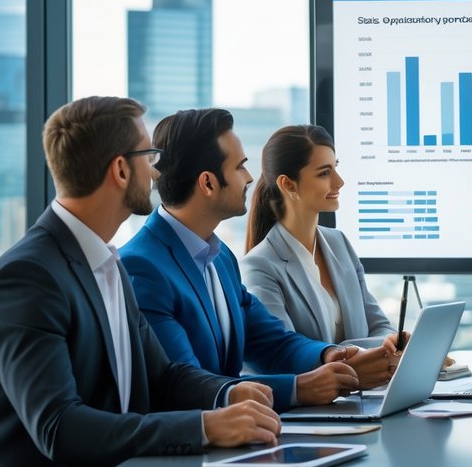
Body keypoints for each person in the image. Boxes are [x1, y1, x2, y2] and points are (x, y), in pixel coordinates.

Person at [0, 97, 280, 467]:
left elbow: (163, 376)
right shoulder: (28, 277)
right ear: (119, 170)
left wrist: (228, 394)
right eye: (148, 157)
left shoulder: (106, 261)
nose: (156, 172)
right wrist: (202, 427)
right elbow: (60, 427)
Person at [119, 109, 397, 413]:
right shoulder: (143, 267)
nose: (251, 178)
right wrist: (299, 389)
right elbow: (184, 386)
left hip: (237, 435)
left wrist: (330, 355)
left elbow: (273, 342)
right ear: (208, 183)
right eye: (240, 167)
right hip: (193, 448)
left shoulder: (220, 257)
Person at [239, 124, 395, 346]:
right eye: (324, 173)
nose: (339, 182)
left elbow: (378, 324)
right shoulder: (259, 266)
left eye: (336, 167)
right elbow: (285, 353)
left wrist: (395, 342)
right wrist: (368, 354)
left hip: (369, 382)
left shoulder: (339, 243)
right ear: (288, 184)